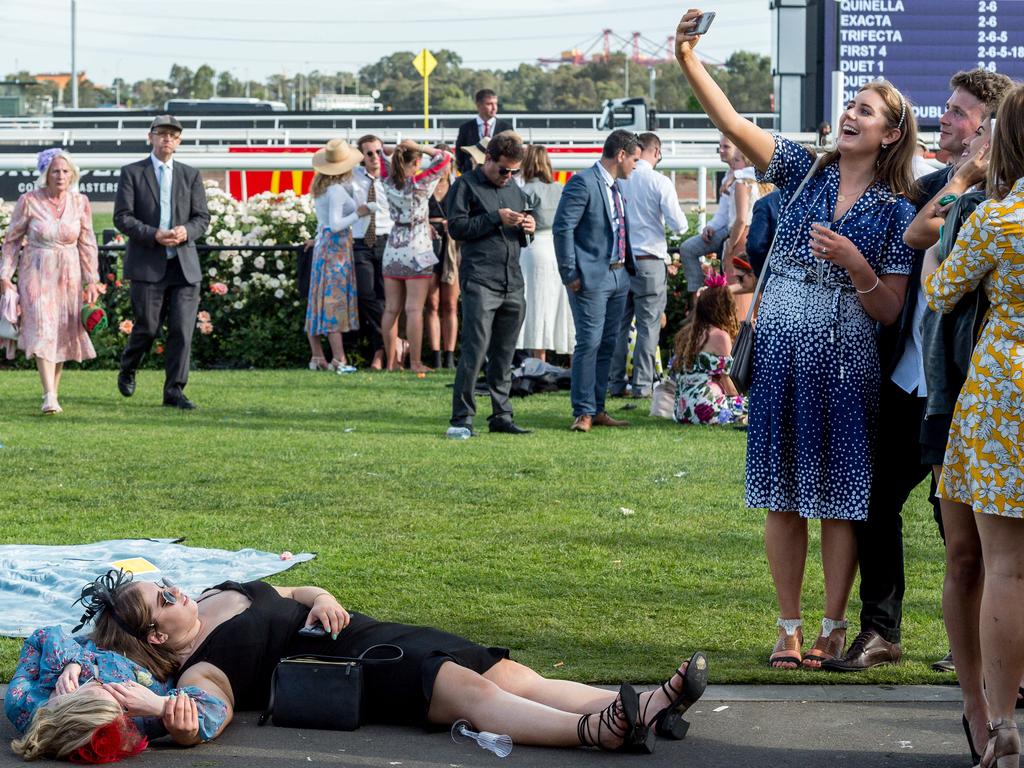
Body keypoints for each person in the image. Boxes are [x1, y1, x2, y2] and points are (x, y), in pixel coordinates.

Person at [674, 10, 918, 669]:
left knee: (838, 499)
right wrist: (688, 59)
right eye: (850, 105)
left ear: (890, 133)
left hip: (844, 363)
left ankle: (833, 629)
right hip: (781, 355)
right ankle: (787, 628)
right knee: (782, 496)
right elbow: (731, 124)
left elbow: (892, 309)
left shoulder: (897, 211)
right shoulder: (803, 170)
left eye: (865, 111)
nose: (850, 115)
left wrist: (855, 263)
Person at [81, 570, 709, 753]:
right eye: (161, 600)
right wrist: (175, 716)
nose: (174, 591)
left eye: (165, 583)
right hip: (356, 670)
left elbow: (297, 592)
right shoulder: (202, 666)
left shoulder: (222, 593)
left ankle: (642, 708)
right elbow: (207, 712)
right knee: (470, 693)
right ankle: (594, 732)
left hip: (372, 632)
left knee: (510, 676)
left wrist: (324, 598)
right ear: (156, 638)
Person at [825, 68, 1013, 676]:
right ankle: (882, 631)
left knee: (973, 539)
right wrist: (958, 180)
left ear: (989, 127)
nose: (946, 117)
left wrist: (968, 182)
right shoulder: (934, 184)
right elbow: (917, 230)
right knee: (876, 502)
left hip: (972, 387)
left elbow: (935, 243)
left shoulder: (1002, 200)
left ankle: (992, 650)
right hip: (911, 379)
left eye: (959, 112)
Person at [923, 82, 1024, 768]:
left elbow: (939, 291)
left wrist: (932, 257)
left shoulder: (997, 216)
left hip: (1002, 388)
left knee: (1006, 568)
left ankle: (1001, 720)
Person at [5, 618, 227, 761]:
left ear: (68, 701)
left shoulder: (21, 702)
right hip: (151, 653)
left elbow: (42, 637)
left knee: (126, 603)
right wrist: (160, 705)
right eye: (119, 702)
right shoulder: (137, 718)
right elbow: (216, 709)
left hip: (106, 639)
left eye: (95, 684)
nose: (112, 687)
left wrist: (71, 663)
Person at [114, 115, 210, 410]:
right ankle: (129, 366)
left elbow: (202, 218)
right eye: (161, 133)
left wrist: (187, 231)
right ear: (150, 137)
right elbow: (122, 218)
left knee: (182, 330)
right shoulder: (133, 173)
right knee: (148, 327)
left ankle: (174, 392)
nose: (167, 138)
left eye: (173, 135)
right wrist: (153, 234)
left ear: (179, 141)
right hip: (148, 263)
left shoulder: (190, 175)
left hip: (183, 266)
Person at [446, 131, 535, 437]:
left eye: (514, 171)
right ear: (488, 159)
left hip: (512, 281)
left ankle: (502, 415)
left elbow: (522, 239)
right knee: (474, 350)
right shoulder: (465, 185)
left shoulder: (515, 190)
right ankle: (462, 418)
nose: (508, 176)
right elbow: (457, 228)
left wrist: (528, 227)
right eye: (503, 170)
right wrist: (495, 218)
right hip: (481, 280)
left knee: (505, 354)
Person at [0, 148, 101, 415]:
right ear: (46, 174)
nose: (60, 175)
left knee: (62, 330)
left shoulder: (81, 202)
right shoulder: (29, 200)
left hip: (69, 274)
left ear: (73, 175)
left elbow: (88, 243)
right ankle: (49, 395)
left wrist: (92, 281)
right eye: (55, 171)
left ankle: (52, 393)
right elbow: (11, 242)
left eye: (65, 171)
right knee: (42, 326)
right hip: (36, 269)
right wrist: (4, 276)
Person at [554, 129, 641, 433]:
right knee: (589, 343)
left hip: (619, 276)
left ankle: (598, 408)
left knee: (607, 344)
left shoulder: (615, 186)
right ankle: (583, 412)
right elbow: (562, 228)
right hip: (592, 278)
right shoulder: (582, 183)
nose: (636, 165)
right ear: (620, 155)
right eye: (634, 159)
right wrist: (569, 274)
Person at [609, 132, 688, 399]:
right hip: (650, 260)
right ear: (656, 151)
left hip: (620, 260)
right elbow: (680, 225)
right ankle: (642, 385)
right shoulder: (659, 181)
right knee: (648, 325)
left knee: (619, 325)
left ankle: (615, 383)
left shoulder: (619, 180)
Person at [380, 140, 454, 373]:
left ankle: (391, 362)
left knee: (391, 309)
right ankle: (415, 362)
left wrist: (397, 149)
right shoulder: (421, 184)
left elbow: (382, 153)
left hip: (393, 247)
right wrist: (421, 146)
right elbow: (444, 158)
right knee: (414, 309)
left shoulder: (388, 181)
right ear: (417, 162)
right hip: (417, 247)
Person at [305, 139, 362, 373]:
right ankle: (339, 358)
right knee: (334, 301)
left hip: (323, 246)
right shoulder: (337, 189)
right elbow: (337, 224)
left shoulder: (321, 188)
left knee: (318, 300)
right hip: (335, 250)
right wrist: (359, 213)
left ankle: (317, 356)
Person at [517, 144, 572, 362]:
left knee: (536, 304)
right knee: (561, 304)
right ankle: (570, 362)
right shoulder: (560, 188)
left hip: (535, 246)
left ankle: (538, 361)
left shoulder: (525, 191)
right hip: (557, 247)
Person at [669, 275, 746, 425]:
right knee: (757, 405)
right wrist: (740, 400)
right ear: (722, 308)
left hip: (682, 410)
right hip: (707, 409)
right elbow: (727, 380)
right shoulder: (720, 336)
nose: (735, 308)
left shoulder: (686, 334)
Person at [675, 136, 741, 297]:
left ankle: (697, 297)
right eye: (720, 146)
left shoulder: (742, 176)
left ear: (738, 150)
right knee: (687, 249)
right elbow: (722, 213)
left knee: (688, 249)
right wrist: (710, 226)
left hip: (736, 230)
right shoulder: (728, 176)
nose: (721, 150)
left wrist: (736, 176)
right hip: (727, 228)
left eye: (726, 147)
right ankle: (697, 294)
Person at [350, 134, 393, 371]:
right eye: (369, 153)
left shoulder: (391, 178)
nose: (375, 157)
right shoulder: (352, 178)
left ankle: (380, 352)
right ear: (362, 157)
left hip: (386, 240)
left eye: (379, 151)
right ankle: (393, 340)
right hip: (360, 242)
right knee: (365, 294)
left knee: (385, 298)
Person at [424, 143, 459, 370]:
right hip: (428, 244)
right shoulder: (424, 187)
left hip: (452, 247)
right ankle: (435, 355)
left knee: (450, 304)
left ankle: (450, 355)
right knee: (432, 302)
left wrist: (453, 224)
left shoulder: (457, 187)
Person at [454, 89, 513, 176]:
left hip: (498, 177)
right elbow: (460, 155)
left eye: (495, 103)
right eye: (489, 104)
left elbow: (511, 154)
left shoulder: (506, 128)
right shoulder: (465, 128)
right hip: (471, 177)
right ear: (478, 105)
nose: (494, 107)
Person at [745, 189, 780, 277]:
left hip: (775, 277)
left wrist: (762, 274)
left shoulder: (766, 202)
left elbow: (755, 246)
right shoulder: (817, 201)